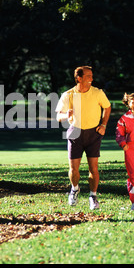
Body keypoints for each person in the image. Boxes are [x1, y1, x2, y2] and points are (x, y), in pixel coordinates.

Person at [56, 66, 111, 210]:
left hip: (94, 133)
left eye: (92, 76)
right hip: (75, 133)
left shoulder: (97, 93)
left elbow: (107, 107)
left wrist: (103, 124)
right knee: (74, 169)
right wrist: (66, 115)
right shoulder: (68, 94)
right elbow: (58, 117)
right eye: (88, 76)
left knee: (94, 168)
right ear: (79, 78)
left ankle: (93, 196)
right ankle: (74, 189)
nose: (92, 79)